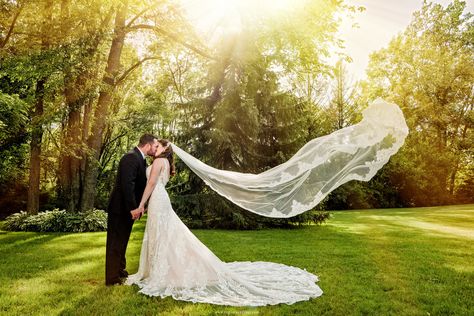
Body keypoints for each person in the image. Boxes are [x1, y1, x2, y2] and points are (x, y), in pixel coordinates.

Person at [126, 139, 323, 306]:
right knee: (164, 234)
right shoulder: (167, 164)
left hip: (157, 200)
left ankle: (163, 272)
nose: (155, 149)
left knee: (163, 234)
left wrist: (141, 204)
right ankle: (161, 269)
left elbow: (151, 184)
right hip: (161, 200)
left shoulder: (160, 162)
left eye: (157, 147)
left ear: (164, 149)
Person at [105, 134, 159, 286]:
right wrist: (133, 208)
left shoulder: (140, 159)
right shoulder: (131, 157)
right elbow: (127, 186)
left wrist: (144, 205)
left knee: (122, 242)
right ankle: (112, 279)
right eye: (155, 146)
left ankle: (120, 272)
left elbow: (139, 186)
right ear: (148, 145)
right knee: (115, 243)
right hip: (120, 208)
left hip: (127, 209)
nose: (156, 149)